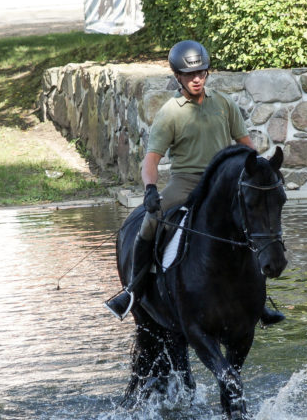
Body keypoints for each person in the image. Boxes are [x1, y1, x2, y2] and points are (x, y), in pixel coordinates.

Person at [105, 40, 285, 326]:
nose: (197, 78)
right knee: (151, 221)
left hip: (222, 184)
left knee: (250, 225)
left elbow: (247, 147)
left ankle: (259, 302)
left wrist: (263, 175)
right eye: (190, 75)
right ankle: (133, 291)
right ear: (178, 76)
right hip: (185, 183)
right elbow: (151, 160)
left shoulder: (224, 104)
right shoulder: (170, 113)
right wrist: (150, 189)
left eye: (201, 72)